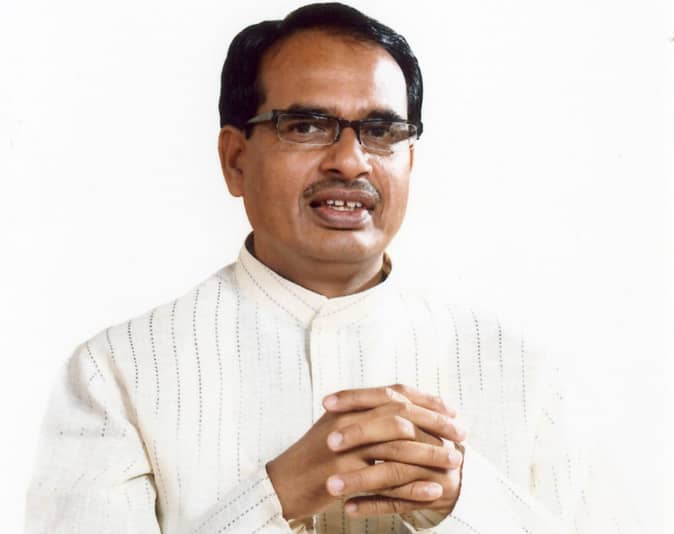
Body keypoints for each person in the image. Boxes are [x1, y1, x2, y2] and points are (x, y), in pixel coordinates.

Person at [25, 3, 640, 533]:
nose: (350, 161)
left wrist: (462, 502)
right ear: (235, 159)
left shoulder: (526, 374)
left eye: (381, 131)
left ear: (409, 161)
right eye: (306, 125)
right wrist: (275, 497)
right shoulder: (117, 374)